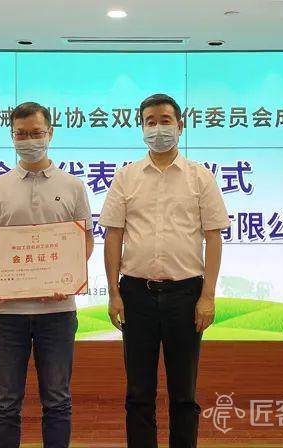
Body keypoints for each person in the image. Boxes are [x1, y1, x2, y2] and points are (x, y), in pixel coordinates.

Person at [0, 101, 94, 448]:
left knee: (58, 402)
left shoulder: (74, 186)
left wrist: (67, 277)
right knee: (5, 404)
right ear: (12, 136)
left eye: (36, 133)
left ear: (50, 133)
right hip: (5, 315)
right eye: (21, 134)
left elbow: (84, 242)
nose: (29, 140)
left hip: (57, 313)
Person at [99, 93, 230, 447]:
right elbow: (113, 236)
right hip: (136, 294)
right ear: (141, 128)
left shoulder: (200, 178)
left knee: (184, 393)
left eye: (165, 120)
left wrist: (207, 296)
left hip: (185, 295)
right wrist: (113, 293)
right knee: (138, 393)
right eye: (150, 122)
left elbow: (213, 238)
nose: (158, 128)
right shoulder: (126, 177)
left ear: (180, 126)